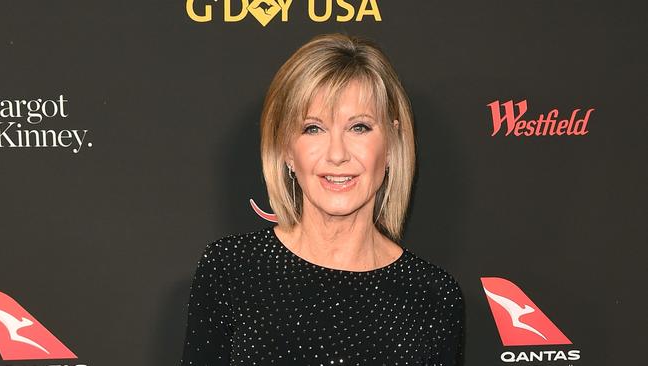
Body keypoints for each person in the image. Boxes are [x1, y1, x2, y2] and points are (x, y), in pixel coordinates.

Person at [180, 33, 464, 366]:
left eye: (359, 127)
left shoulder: (432, 295)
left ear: (390, 144)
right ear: (286, 148)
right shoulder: (230, 269)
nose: (337, 154)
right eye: (313, 128)